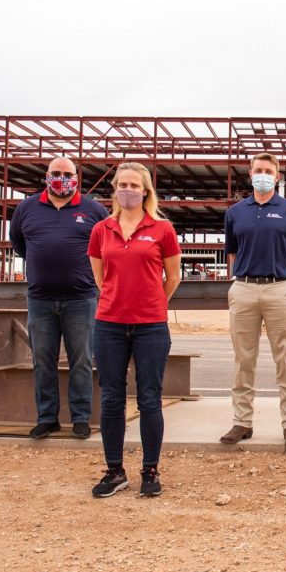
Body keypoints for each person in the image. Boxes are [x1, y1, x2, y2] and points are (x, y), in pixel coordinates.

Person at [87, 163, 181, 498]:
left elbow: (173, 277)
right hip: (109, 324)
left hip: (151, 326)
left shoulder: (162, 229)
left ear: (145, 191)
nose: (127, 189)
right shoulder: (102, 229)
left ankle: (150, 469)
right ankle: (114, 470)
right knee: (111, 398)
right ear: (114, 189)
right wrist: (119, 298)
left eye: (134, 185)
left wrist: (152, 300)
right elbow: (100, 277)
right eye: (121, 184)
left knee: (149, 398)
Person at [9, 156, 108, 440]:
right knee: (43, 361)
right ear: (46, 175)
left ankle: (80, 418)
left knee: (81, 361)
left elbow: (105, 246)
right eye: (56, 173)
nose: (61, 179)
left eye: (67, 174)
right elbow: (19, 243)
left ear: (77, 178)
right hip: (40, 300)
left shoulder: (93, 209)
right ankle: (46, 418)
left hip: (81, 299)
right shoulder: (27, 208)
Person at [220, 152, 286, 446]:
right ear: (250, 174)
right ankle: (241, 422)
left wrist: (281, 276)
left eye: (268, 170)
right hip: (244, 288)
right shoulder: (235, 213)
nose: (263, 174)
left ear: (277, 176)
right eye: (258, 169)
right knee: (243, 359)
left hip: (279, 289)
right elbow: (232, 253)